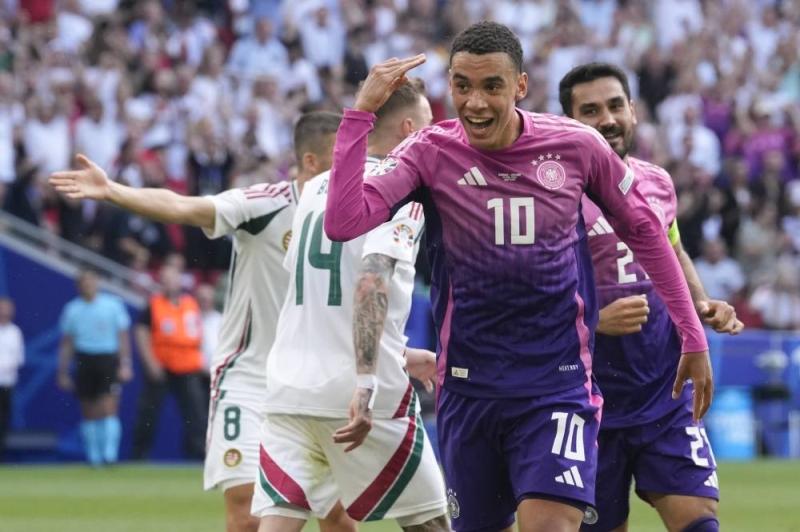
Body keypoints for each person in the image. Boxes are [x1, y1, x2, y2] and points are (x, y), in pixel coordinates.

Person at [323, 21, 713, 532]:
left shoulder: (576, 146)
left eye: (492, 86)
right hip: (468, 390)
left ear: (521, 86)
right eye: (462, 85)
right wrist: (360, 113)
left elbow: (646, 231)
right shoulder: (428, 151)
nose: (475, 102)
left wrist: (692, 334)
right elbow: (344, 221)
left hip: (557, 385)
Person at [49, 112, 356, 532]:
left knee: (338, 519)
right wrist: (112, 191)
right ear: (311, 161)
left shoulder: (358, 213)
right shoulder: (264, 205)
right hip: (250, 380)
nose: (354, 165)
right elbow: (182, 206)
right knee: (246, 515)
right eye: (343, 155)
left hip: (315, 382)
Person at [255, 78, 449, 532]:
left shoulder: (315, 188)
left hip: (288, 391)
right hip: (359, 395)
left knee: (279, 523)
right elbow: (370, 279)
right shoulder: (401, 189)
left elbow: (323, 297)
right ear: (409, 130)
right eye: (429, 126)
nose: (436, 136)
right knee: (432, 523)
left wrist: (401, 354)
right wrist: (366, 380)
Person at [558, 62, 744, 532]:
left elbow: (673, 251)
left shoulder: (657, 181)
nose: (607, 119)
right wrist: (594, 320)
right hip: (588, 401)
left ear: (634, 111)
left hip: (666, 389)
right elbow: (528, 286)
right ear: (569, 123)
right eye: (590, 111)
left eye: (615, 105)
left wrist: (701, 303)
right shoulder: (554, 197)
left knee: (700, 520)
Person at [131, 263, 208, 461]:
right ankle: (139, 456)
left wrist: (202, 359)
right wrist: (150, 362)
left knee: (196, 413)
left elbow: (198, 333)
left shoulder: (190, 304)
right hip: (162, 365)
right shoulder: (154, 304)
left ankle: (198, 455)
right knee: (149, 413)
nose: (169, 283)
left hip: (188, 365)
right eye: (165, 279)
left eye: (173, 278)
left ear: (180, 281)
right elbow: (141, 331)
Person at [57, 269, 132, 466]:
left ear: (97, 282)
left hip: (107, 358)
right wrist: (62, 371)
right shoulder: (72, 310)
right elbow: (67, 343)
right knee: (88, 409)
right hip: (85, 359)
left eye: (91, 281)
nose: (87, 285)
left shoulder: (112, 305)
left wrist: (125, 363)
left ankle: (110, 455)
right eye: (84, 282)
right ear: (78, 286)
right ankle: (94, 456)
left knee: (108, 407)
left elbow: (123, 337)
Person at [0, 297, 24, 460]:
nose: (3, 312)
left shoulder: (15, 332)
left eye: (6, 309)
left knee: (3, 419)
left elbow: (18, 359)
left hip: (7, 383)